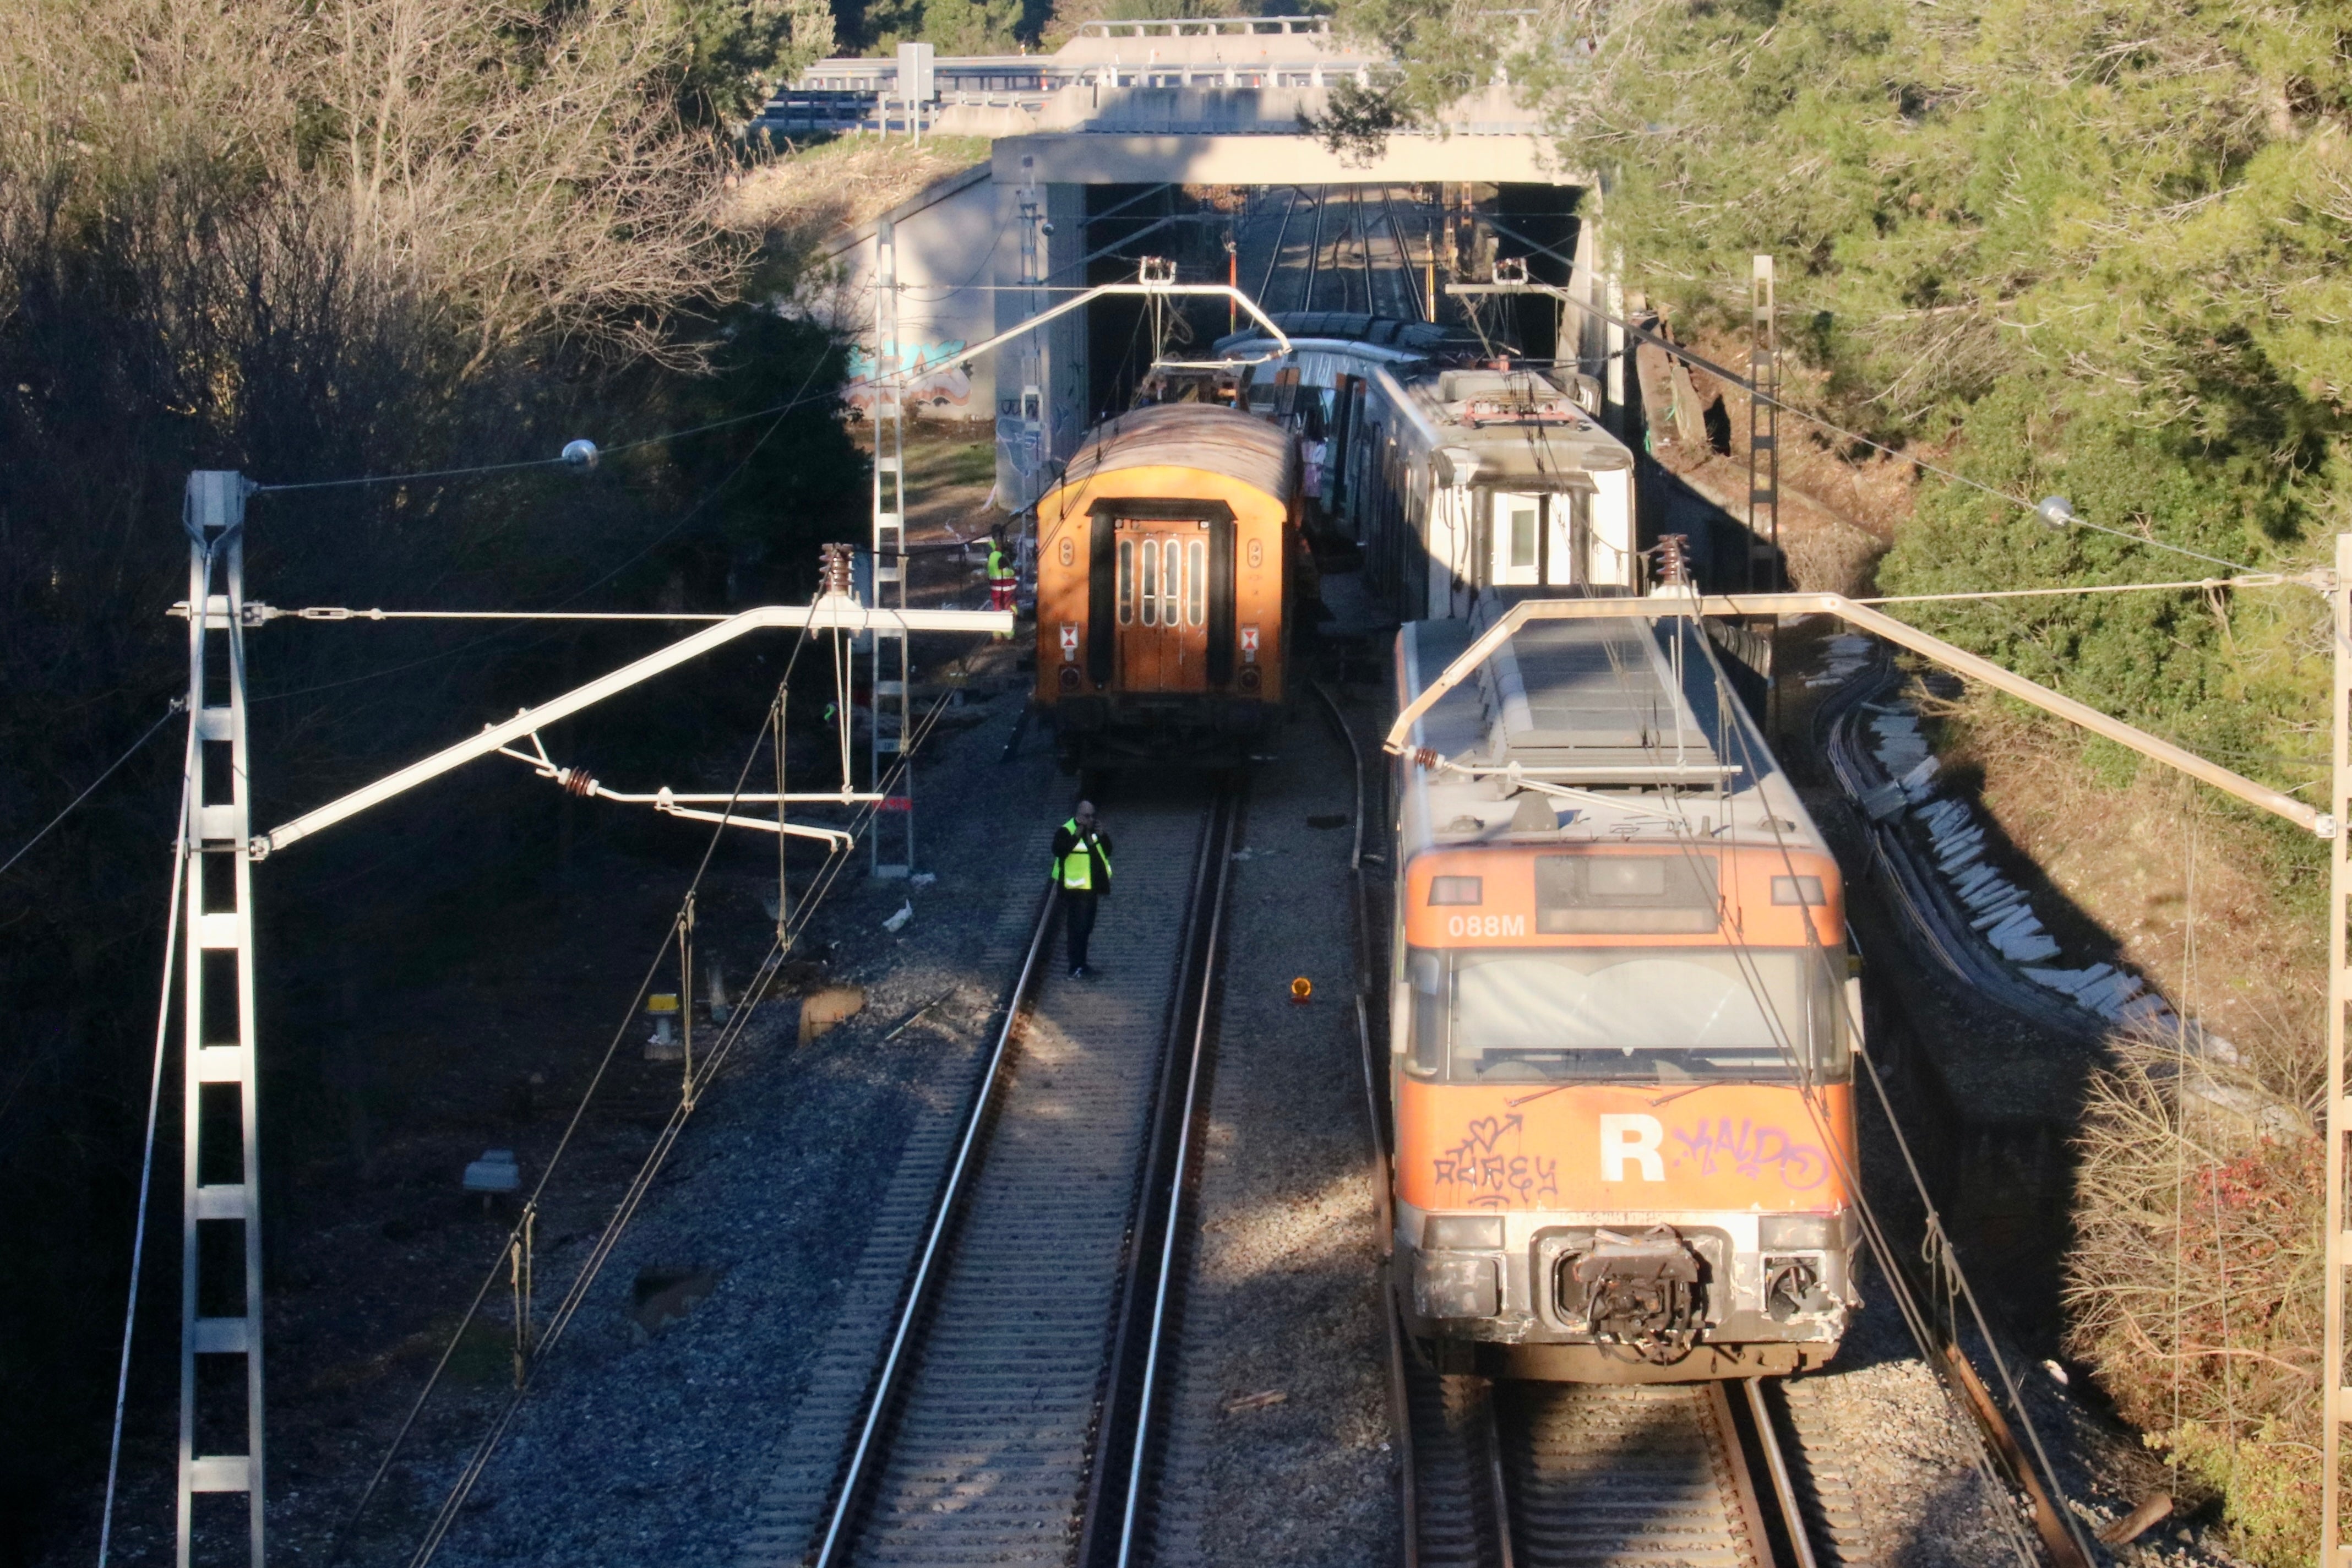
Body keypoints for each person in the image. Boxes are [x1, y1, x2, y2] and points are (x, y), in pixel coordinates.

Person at [1051, 801, 1113, 978]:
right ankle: (1076, 967)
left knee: (1086, 928)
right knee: (1077, 929)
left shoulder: (1094, 831)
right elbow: (1059, 850)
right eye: (1087, 816)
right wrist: (1078, 834)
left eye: (1093, 815)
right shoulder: (1067, 830)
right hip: (1076, 888)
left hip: (1091, 887)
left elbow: (1107, 851)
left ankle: (1082, 965)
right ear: (1078, 815)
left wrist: (1103, 835)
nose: (1091, 819)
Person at [987, 527, 1019, 638]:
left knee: (997, 609)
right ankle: (1009, 635)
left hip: (996, 589)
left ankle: (997, 635)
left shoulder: (992, 556)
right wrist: (1013, 571)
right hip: (1007, 588)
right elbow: (1006, 572)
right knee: (1011, 610)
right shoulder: (1001, 557)